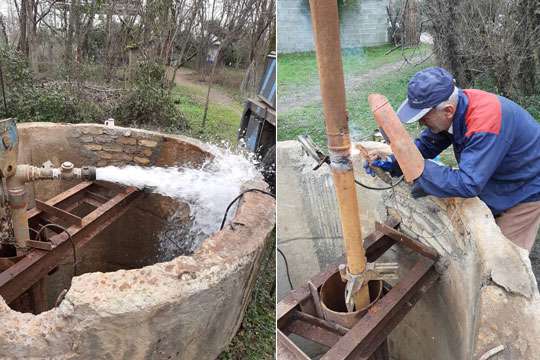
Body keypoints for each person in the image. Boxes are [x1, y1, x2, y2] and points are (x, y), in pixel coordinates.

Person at [367, 67, 540, 251]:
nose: (420, 124)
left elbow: (469, 183)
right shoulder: (458, 108)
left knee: (503, 259)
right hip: (496, 174)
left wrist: (420, 171)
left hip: (524, 187)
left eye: (424, 118)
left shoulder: (484, 123)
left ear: (448, 111)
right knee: (480, 241)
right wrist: (397, 162)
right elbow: (428, 143)